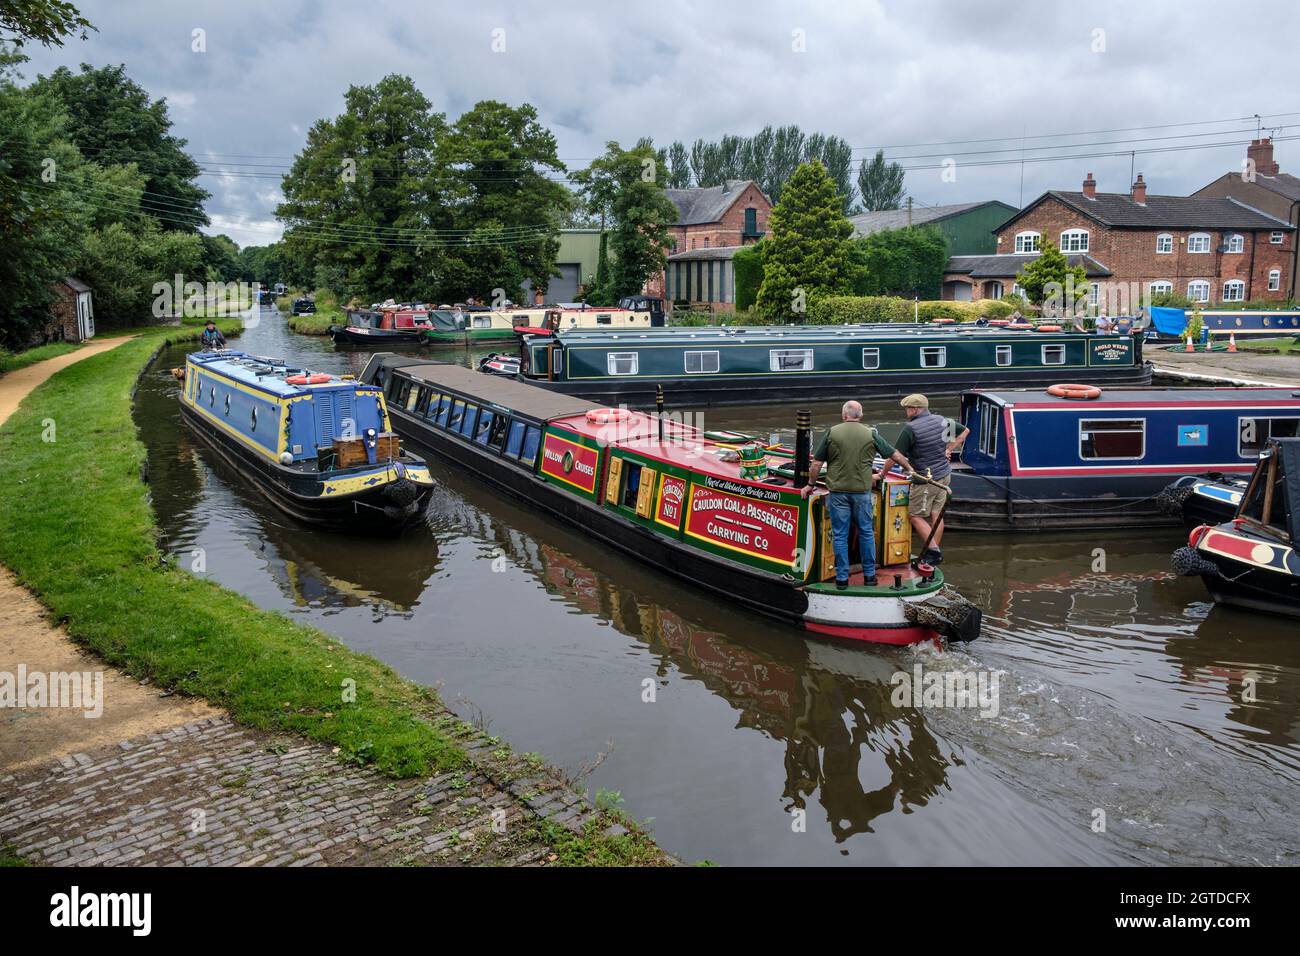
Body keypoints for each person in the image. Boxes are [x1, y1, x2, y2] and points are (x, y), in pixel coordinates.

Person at [801, 400, 912, 589]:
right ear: (860, 416)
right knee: (867, 532)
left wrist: (810, 484)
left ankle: (842, 579)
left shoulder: (832, 432)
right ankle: (870, 576)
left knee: (840, 535)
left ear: (844, 415)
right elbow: (894, 455)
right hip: (862, 492)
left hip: (838, 493)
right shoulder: (871, 434)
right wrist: (909, 468)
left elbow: (816, 465)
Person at [892, 394, 968, 565]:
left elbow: (895, 455)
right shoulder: (941, 420)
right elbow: (964, 431)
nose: (906, 412)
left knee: (914, 516)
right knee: (936, 515)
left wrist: (882, 473)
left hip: (926, 480)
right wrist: (949, 449)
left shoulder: (910, 428)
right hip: (945, 475)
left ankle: (933, 551)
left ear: (914, 409)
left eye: (907, 409)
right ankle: (931, 555)